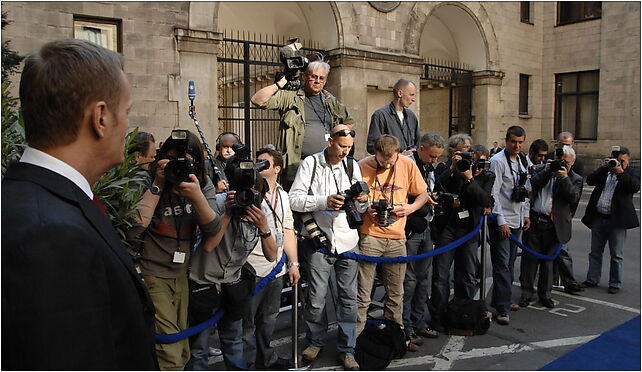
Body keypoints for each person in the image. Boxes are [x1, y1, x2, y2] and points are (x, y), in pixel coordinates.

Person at [2, 39, 158, 369]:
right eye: (126, 112)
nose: (129, 125)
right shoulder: (50, 235)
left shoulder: (39, 201)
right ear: (100, 117)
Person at [128, 130, 222, 370]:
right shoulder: (145, 179)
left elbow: (213, 229)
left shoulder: (200, 182)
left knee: (181, 346)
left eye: (185, 162)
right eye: (171, 159)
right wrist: (158, 184)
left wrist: (197, 196)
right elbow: (133, 229)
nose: (178, 167)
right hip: (151, 271)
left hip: (181, 273)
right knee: (168, 350)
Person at [289, 125, 368, 371]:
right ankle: (315, 341)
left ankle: (347, 349)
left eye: (349, 148)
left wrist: (363, 201)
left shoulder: (352, 165)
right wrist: (324, 201)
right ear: (330, 141)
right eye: (342, 146)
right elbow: (294, 199)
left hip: (347, 241)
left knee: (348, 299)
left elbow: (362, 206)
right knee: (316, 297)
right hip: (319, 241)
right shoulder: (310, 164)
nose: (345, 152)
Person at [186, 168, 278, 370]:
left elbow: (272, 255)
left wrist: (264, 228)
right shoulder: (217, 203)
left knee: (234, 341)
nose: (248, 199)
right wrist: (227, 214)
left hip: (232, 283)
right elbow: (209, 245)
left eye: (254, 194)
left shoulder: (261, 212)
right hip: (203, 281)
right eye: (244, 193)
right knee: (198, 347)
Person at [356, 135, 433, 336]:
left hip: (397, 236)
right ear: (376, 154)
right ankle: (356, 339)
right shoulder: (362, 166)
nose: (387, 165)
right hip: (370, 235)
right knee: (363, 293)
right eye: (382, 162)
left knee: (396, 292)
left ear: (398, 154)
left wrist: (410, 208)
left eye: (391, 162)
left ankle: (395, 336)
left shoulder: (407, 164)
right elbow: (353, 199)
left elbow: (424, 194)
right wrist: (366, 209)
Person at [251, 61, 354, 189]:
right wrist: (280, 84)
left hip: (324, 165)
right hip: (297, 165)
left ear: (326, 80)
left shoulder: (330, 101)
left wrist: (337, 136)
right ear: (305, 76)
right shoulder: (290, 97)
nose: (317, 81)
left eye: (321, 78)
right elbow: (257, 100)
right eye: (313, 76)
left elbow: (349, 121)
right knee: (296, 202)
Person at [243, 146, 300, 370]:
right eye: (257, 161)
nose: (259, 166)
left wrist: (293, 263)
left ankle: (266, 359)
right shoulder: (247, 194)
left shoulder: (283, 196)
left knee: (268, 320)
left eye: (264, 163)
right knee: (246, 325)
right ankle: (247, 364)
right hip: (251, 269)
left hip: (276, 269)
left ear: (277, 168)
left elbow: (287, 230)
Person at [429, 145, 491, 332]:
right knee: (441, 275)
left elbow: (484, 200)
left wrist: (470, 178)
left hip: (469, 229)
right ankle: (438, 316)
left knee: (467, 274)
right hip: (448, 227)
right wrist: (453, 170)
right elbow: (438, 188)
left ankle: (461, 313)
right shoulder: (446, 169)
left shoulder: (486, 175)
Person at [519, 146, 582, 309]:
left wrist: (563, 178)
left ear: (572, 163)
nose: (562, 164)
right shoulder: (542, 170)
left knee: (548, 263)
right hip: (534, 221)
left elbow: (573, 198)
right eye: (559, 161)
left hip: (554, 226)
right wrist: (547, 171)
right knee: (529, 261)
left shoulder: (575, 178)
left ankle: (545, 295)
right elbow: (530, 186)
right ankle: (526, 293)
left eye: (566, 163)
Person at [402, 132, 445, 350]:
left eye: (437, 157)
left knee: (422, 278)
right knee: (408, 280)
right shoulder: (406, 163)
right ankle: (405, 325)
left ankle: (419, 321)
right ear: (421, 149)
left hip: (427, 224)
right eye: (431, 156)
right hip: (410, 228)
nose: (434, 161)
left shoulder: (429, 166)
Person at [581, 146, 640, 294]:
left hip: (618, 221)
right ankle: (592, 279)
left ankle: (615, 283)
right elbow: (590, 181)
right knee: (595, 252)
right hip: (599, 217)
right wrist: (604, 167)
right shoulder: (605, 171)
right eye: (616, 160)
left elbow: (634, 187)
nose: (619, 164)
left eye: (622, 161)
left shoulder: (631, 172)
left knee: (616, 255)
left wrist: (621, 173)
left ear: (628, 160)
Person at [488, 125, 531, 326]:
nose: (517, 146)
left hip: (518, 218)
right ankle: (502, 307)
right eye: (513, 142)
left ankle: (501, 299)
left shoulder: (523, 160)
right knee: (502, 264)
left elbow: (526, 190)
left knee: (511, 262)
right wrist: (501, 221)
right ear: (506, 140)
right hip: (502, 220)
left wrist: (526, 214)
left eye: (520, 142)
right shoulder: (497, 162)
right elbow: (494, 193)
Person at [545, 131, 586, 294]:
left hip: (562, 214)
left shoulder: (577, 166)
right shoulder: (550, 159)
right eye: (561, 144)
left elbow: (574, 195)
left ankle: (568, 281)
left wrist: (563, 177)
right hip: (546, 213)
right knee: (549, 252)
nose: (563, 148)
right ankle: (550, 280)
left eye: (567, 145)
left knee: (562, 250)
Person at [366, 79, 421, 155]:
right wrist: (398, 156)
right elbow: (372, 146)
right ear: (400, 93)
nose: (413, 99)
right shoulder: (380, 115)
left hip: (409, 165)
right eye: (411, 95)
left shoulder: (411, 116)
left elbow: (418, 143)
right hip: (389, 165)